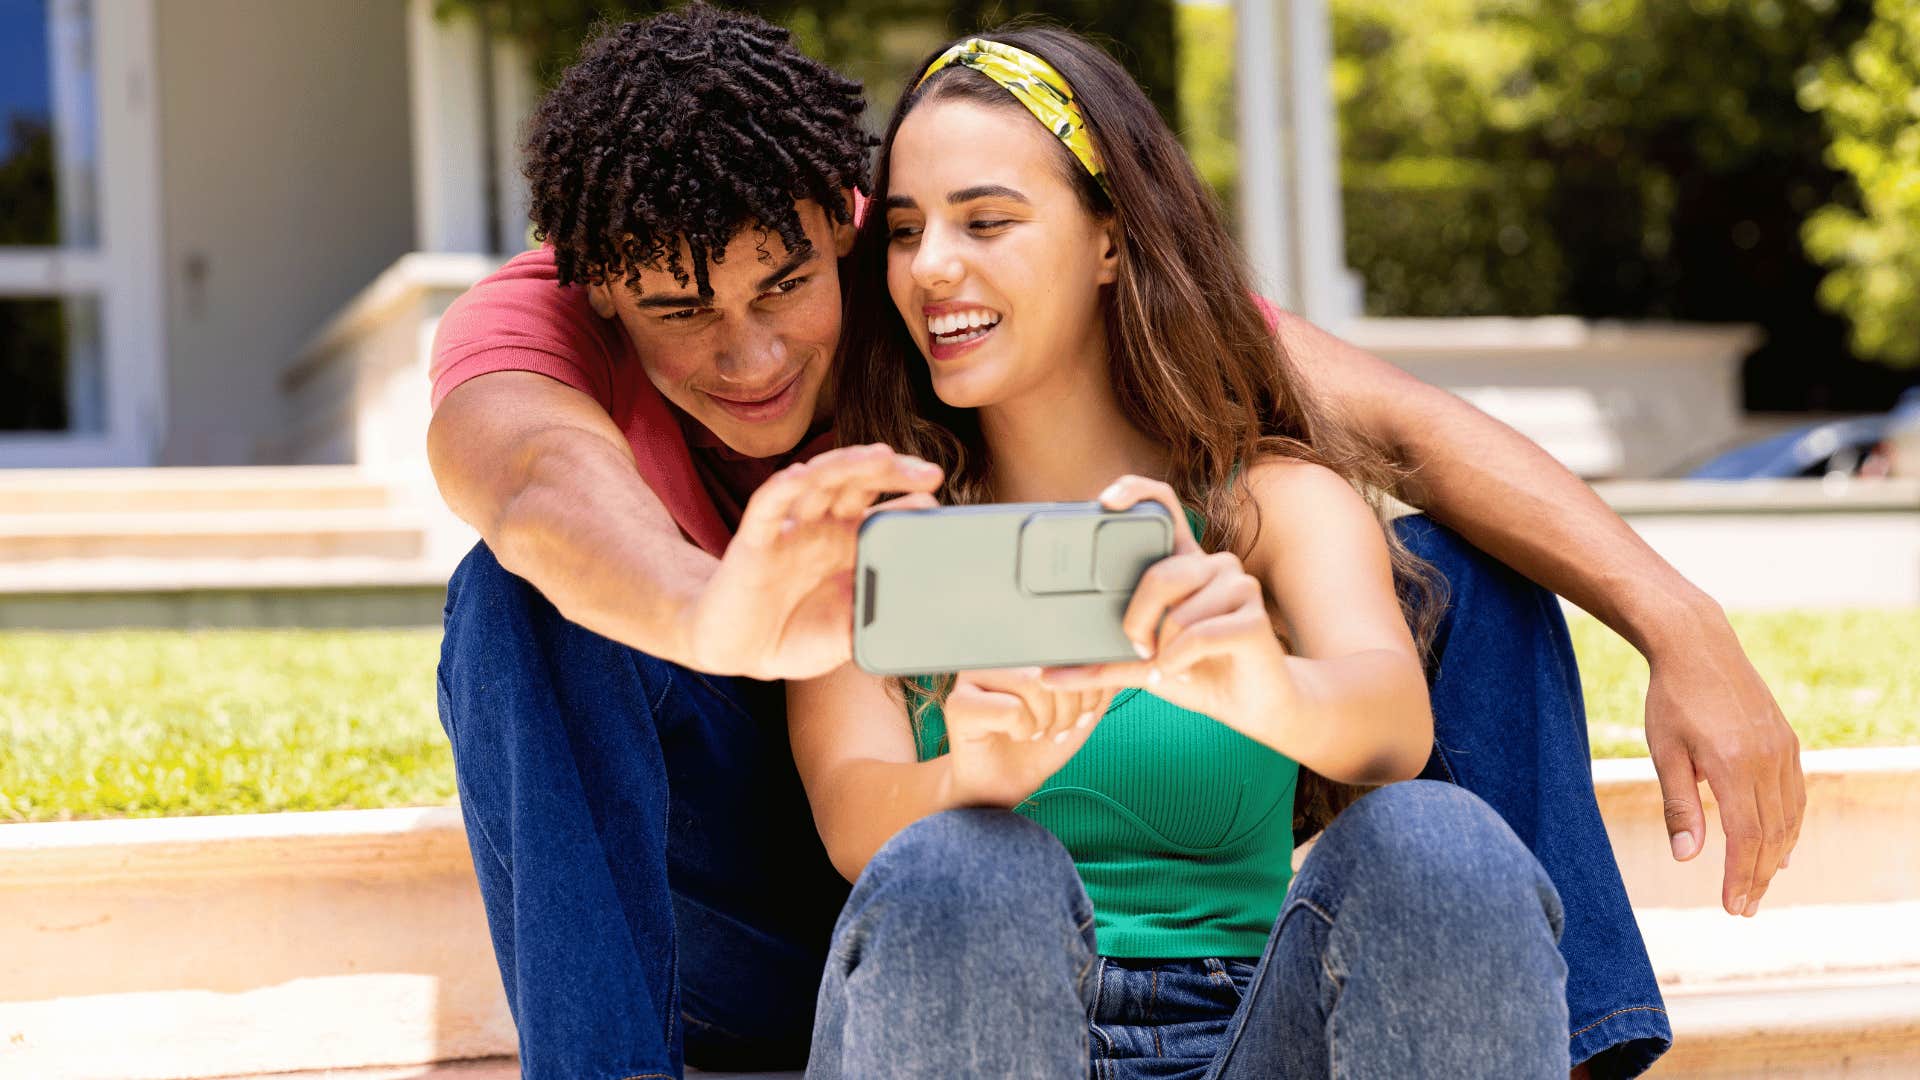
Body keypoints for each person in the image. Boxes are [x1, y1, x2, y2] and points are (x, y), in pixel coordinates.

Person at [424, 5, 1800, 1078]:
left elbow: (1408, 436)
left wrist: (1685, 625)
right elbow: (537, 487)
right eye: (681, 313)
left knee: (1467, 590)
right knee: (517, 600)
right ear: (601, 294)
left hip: (1177, 945)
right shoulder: (835, 497)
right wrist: (765, 633)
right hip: (847, 859)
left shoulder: (943, 279)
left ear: (839, 231)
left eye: (794, 282)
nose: (752, 351)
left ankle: (1572, 1038)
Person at [792, 28, 1569, 1078]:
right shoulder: (872, 535)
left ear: (1111, 239)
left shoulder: (1272, 508)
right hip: (977, 1030)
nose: (931, 267)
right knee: (964, 867)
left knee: (1441, 843)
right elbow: (853, 819)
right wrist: (975, 772)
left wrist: (1261, 685)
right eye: (903, 229)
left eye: (985, 220)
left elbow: (1391, 723)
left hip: (1246, 1031)